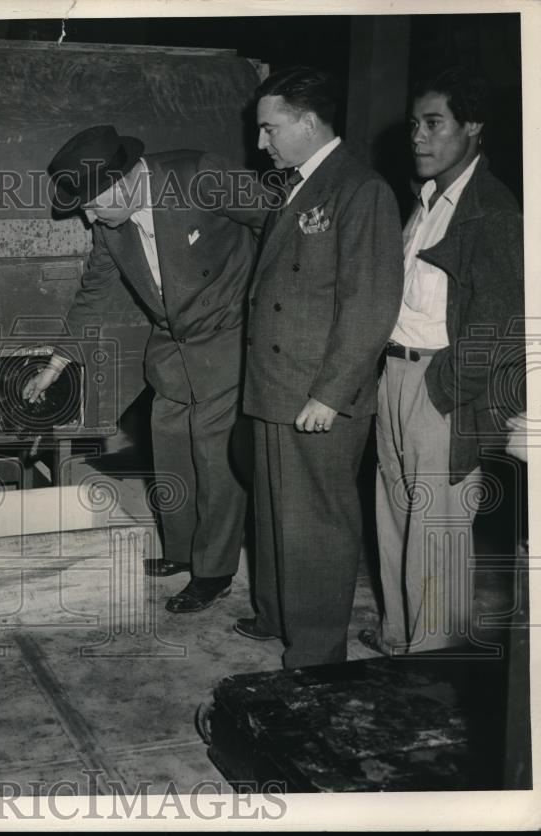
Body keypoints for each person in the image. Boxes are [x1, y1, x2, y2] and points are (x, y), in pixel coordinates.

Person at [24, 125, 268, 613]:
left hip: (227, 343)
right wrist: (56, 362)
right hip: (172, 352)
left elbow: (279, 226)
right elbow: (93, 292)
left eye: (93, 205)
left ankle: (214, 571)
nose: (89, 219)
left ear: (126, 181)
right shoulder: (110, 226)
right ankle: (182, 551)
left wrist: (268, 309)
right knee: (172, 449)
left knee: (216, 460)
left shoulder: (201, 176)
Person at [234, 66, 404, 668]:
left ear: (308, 123)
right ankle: (277, 615)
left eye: (270, 129)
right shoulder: (301, 183)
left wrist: (330, 394)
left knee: (317, 526)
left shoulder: (360, 190)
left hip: (316, 391)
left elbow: (371, 302)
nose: (263, 143)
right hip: (277, 384)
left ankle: (314, 652)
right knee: (277, 513)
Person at [359, 67, 525, 656]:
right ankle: (399, 633)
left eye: (435, 124)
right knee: (396, 515)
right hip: (395, 374)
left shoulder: (493, 210)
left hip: (440, 383)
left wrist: (443, 389)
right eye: (414, 125)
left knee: (440, 530)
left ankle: (436, 657)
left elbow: (500, 324)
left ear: (473, 126)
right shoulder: (427, 198)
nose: (419, 137)